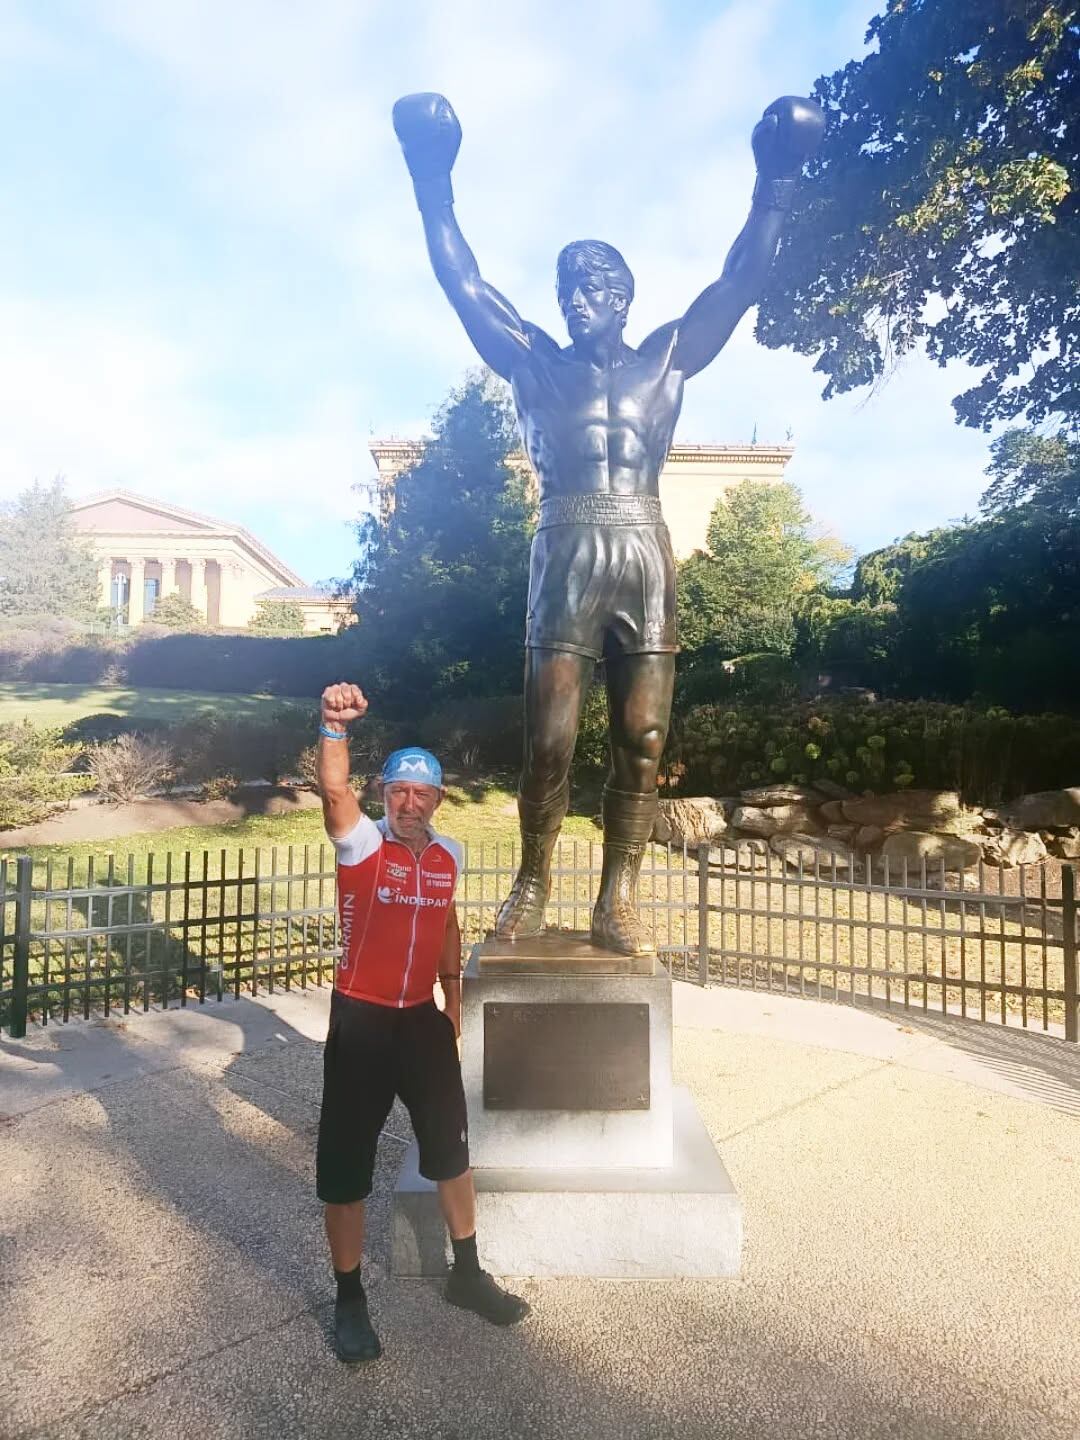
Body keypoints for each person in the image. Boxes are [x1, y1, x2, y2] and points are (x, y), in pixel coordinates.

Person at [393, 91, 824, 955]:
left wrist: (776, 181)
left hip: (644, 548)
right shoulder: (531, 361)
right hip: (565, 548)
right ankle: (533, 881)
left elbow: (740, 279)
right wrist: (431, 175)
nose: (569, 302)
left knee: (645, 735)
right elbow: (461, 280)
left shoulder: (668, 354)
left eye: (584, 290)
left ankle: (616, 895)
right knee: (548, 741)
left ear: (618, 296)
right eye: (563, 290)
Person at [315, 681, 529, 1363]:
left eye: (424, 793)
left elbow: (445, 925)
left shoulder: (449, 855)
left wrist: (453, 1001)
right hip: (363, 1023)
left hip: (421, 1024)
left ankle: (466, 1274)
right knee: (346, 1171)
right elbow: (332, 793)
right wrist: (332, 726)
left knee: (452, 1151)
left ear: (438, 800)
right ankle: (350, 1298)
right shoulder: (360, 846)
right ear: (385, 796)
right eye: (400, 792)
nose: (411, 803)